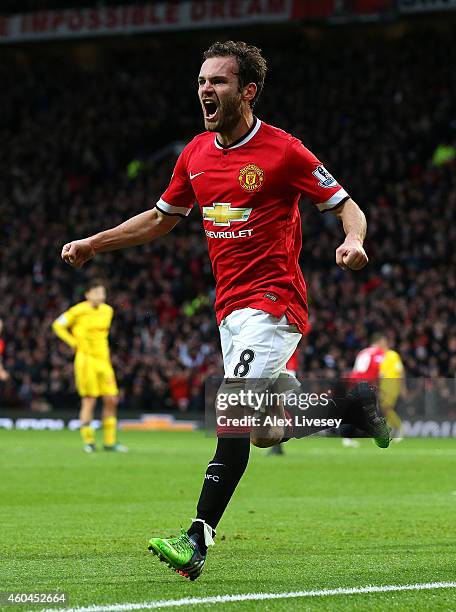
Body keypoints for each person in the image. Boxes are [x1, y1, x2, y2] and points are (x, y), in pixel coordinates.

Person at [60, 41, 388, 579]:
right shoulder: (195, 153)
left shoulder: (284, 151)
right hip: (230, 311)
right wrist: (95, 243)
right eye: (201, 82)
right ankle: (350, 409)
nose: (205, 90)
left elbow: (346, 203)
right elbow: (162, 217)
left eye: (218, 81)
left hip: (274, 301)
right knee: (263, 432)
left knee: (231, 417)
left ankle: (196, 540)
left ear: (248, 90)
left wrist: (353, 240)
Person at [52, 280, 126, 453]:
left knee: (111, 399)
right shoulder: (78, 310)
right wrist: (73, 342)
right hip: (86, 361)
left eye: (103, 292)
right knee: (89, 401)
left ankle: (110, 442)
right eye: (97, 292)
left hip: (103, 361)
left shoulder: (108, 311)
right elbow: (57, 325)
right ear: (88, 294)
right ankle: (89, 442)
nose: (101, 296)